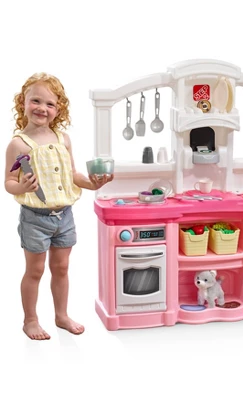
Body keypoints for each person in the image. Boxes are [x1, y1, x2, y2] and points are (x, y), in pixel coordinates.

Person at [4, 73, 114, 340]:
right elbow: (8, 182)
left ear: (58, 109)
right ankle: (30, 320)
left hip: (64, 216)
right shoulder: (18, 143)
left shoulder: (63, 139)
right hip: (35, 218)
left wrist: (92, 184)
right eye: (36, 101)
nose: (42, 108)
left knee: (62, 268)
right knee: (35, 270)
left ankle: (61, 315)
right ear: (23, 103)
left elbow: (72, 175)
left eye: (50, 104)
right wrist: (22, 186)